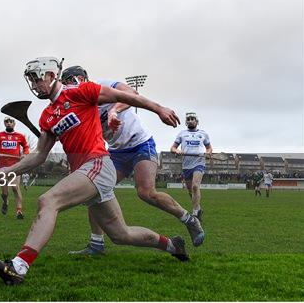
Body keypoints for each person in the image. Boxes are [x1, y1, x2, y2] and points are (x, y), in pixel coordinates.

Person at [0, 57, 187, 285]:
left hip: (98, 164)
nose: (35, 85)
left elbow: (123, 96)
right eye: (31, 81)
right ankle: (173, 245)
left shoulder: (80, 92)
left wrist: (159, 109)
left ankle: (19, 265)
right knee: (120, 235)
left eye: (37, 79)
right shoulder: (47, 116)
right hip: (86, 174)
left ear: (50, 75)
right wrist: (10, 170)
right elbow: (39, 155)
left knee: (48, 200)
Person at [60, 66, 204, 255]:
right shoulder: (78, 103)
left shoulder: (102, 85)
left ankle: (189, 219)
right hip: (116, 152)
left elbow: (131, 92)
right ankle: (96, 244)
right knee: (94, 192)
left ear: (80, 78)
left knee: (146, 192)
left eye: (68, 83)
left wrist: (113, 110)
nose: (67, 89)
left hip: (141, 144)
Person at [170, 112, 212, 222]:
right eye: (188, 119)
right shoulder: (182, 134)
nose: (190, 120)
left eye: (192, 119)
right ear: (186, 121)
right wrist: (177, 151)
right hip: (186, 164)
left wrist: (208, 153)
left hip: (199, 162)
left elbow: (209, 148)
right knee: (190, 190)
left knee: (195, 186)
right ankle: (198, 208)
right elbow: (173, 148)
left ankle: (195, 213)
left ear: (196, 121)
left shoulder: (203, 134)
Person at [0, 117, 30, 219]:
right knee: (4, 193)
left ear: (14, 124)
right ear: (4, 123)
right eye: (6, 122)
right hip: (2, 167)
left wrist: (25, 154)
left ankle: (19, 211)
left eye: (11, 122)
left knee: (15, 188)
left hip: (16, 166)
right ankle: (5, 201)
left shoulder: (20, 136)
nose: (8, 123)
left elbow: (26, 147)